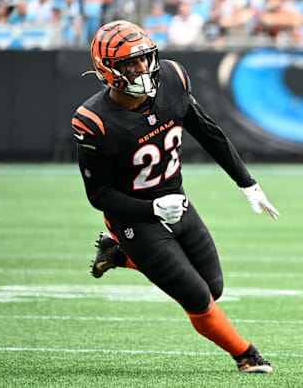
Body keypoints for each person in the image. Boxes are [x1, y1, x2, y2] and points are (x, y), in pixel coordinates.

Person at [73, 20, 278, 374]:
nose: (141, 69)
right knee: (196, 298)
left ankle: (120, 256)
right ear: (107, 71)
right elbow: (100, 194)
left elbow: (208, 131)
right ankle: (245, 355)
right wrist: (150, 208)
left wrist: (247, 183)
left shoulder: (171, 78)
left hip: (175, 199)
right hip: (133, 216)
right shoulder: (95, 121)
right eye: (129, 63)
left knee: (212, 289)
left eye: (144, 58)